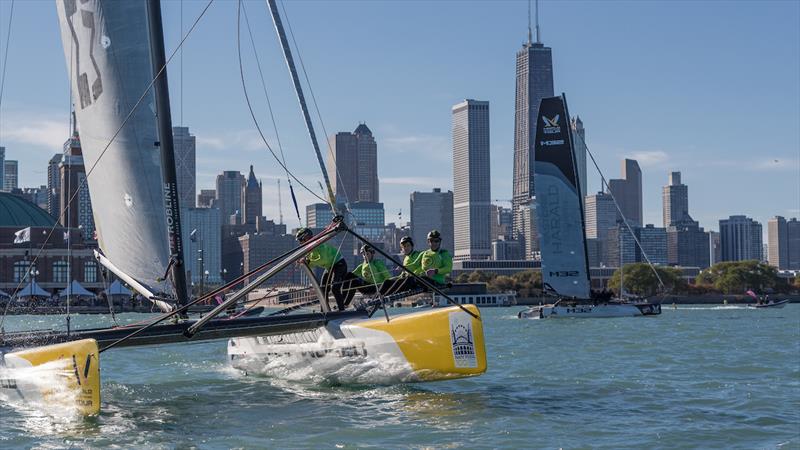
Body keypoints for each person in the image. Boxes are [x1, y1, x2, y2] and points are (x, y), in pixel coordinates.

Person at [295, 227, 349, 311]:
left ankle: (341, 310)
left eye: (300, 240)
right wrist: (304, 262)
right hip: (330, 267)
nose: (300, 243)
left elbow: (323, 259)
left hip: (339, 264)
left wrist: (307, 261)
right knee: (322, 290)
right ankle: (324, 311)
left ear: (305, 238)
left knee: (335, 288)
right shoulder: (310, 250)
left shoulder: (318, 245)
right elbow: (313, 263)